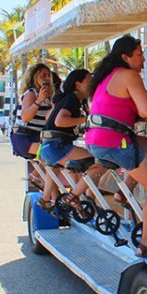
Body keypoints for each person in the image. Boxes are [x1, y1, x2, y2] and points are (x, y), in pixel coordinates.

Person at [85, 35, 147, 258]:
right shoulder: (129, 75)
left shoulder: (106, 77)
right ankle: (145, 246)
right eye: (140, 54)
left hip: (97, 141)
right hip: (114, 142)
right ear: (125, 57)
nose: (143, 60)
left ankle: (124, 191)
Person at [39, 69, 95, 218]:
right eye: (89, 81)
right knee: (97, 163)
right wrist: (87, 120)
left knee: (63, 167)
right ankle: (75, 196)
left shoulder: (68, 99)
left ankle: (45, 199)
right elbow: (60, 120)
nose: (93, 84)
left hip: (47, 146)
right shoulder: (72, 99)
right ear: (78, 84)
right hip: (56, 146)